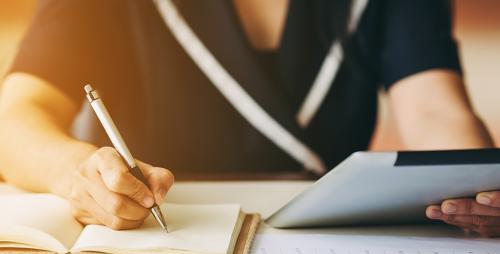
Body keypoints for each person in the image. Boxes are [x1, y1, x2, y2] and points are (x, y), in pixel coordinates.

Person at [0, 0, 498, 235]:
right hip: (166, 231)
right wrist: (77, 174)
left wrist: (478, 181)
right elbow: (13, 117)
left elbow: (435, 109)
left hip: (325, 240)